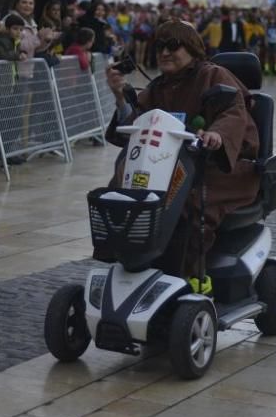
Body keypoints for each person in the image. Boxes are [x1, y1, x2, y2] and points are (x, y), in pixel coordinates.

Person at [103, 20, 260, 283]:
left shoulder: (214, 75)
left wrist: (216, 135)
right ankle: (131, 264)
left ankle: (189, 276)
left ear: (192, 48)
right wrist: (119, 96)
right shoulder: (159, 86)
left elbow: (233, 112)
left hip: (221, 168)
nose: (164, 52)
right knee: (122, 191)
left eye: (173, 46)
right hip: (170, 166)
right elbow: (137, 122)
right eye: (160, 46)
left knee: (187, 201)